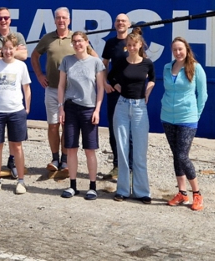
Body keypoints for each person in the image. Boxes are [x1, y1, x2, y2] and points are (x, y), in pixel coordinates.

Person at [161, 37, 209, 211]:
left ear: (187, 50)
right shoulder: (168, 67)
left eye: (180, 49)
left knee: (182, 156)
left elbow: (203, 95)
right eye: (175, 50)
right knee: (176, 155)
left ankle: (197, 193)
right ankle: (182, 193)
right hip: (167, 117)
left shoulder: (196, 68)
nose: (178, 52)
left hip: (187, 118)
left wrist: (195, 115)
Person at [57, 30, 105, 200]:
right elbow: (61, 86)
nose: (77, 44)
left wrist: (97, 110)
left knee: (90, 149)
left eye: (80, 41)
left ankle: (92, 186)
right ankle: (72, 185)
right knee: (71, 148)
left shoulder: (96, 63)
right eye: (75, 41)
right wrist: (61, 107)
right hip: (70, 108)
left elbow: (100, 88)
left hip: (89, 109)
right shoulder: (67, 61)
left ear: (86, 42)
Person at [0, 34, 32, 194]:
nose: (8, 51)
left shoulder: (21, 66)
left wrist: (27, 108)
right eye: (5, 48)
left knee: (17, 146)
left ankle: (21, 181)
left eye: (11, 48)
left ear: (15, 49)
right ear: (1, 49)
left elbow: (26, 88)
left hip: (16, 111)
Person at [110, 30, 155, 203]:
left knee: (140, 151)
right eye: (128, 45)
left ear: (140, 45)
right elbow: (110, 76)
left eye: (134, 45)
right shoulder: (121, 62)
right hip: (122, 106)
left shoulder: (147, 63)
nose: (131, 47)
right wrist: (116, 86)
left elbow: (152, 79)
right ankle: (122, 190)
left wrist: (148, 91)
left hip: (139, 108)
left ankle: (142, 192)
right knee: (122, 149)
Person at [0, 7, 26, 175]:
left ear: (10, 19)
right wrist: (10, 54)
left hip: (13, 86)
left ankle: (12, 160)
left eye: (6, 17)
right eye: (0, 18)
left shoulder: (19, 36)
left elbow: (25, 55)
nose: (3, 20)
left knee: (13, 133)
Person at [30, 7, 73, 172]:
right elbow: (34, 56)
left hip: (71, 91)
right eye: (58, 18)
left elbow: (91, 56)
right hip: (52, 89)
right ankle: (55, 159)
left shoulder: (75, 38)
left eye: (64, 18)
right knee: (53, 125)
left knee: (68, 126)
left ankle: (65, 159)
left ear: (68, 20)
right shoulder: (47, 38)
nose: (61, 21)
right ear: (55, 20)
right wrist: (39, 75)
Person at [101, 13, 132, 180]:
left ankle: (132, 167)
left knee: (131, 130)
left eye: (123, 21)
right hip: (114, 91)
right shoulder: (110, 43)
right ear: (115, 24)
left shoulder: (134, 42)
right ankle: (117, 166)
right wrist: (106, 83)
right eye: (118, 21)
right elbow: (103, 64)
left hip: (131, 92)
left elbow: (143, 64)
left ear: (129, 24)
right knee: (114, 129)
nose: (120, 23)